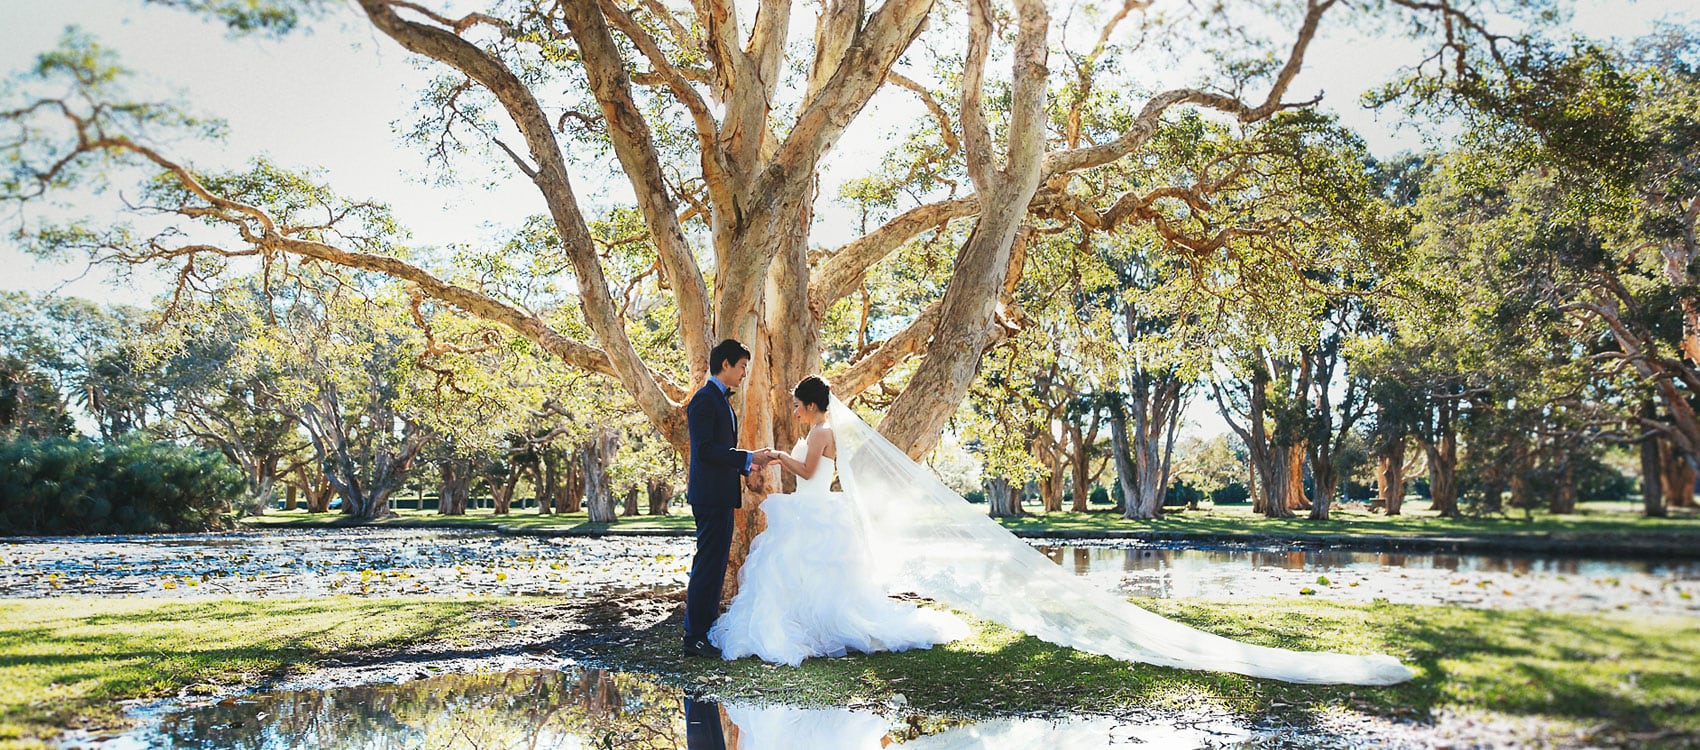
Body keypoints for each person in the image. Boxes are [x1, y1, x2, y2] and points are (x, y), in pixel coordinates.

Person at [708, 376, 969, 665]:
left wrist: (781, 456)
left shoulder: (822, 432)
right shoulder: (817, 431)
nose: (795, 413)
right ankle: (805, 624)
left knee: (811, 570)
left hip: (815, 509)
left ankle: (820, 629)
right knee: (793, 571)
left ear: (811, 404)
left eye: (797, 406)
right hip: (806, 507)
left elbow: (807, 472)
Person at [681, 339, 775, 658]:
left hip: (720, 494)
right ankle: (693, 636)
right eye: (742, 366)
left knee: (716, 563)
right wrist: (746, 457)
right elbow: (706, 451)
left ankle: (705, 630)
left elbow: (720, 452)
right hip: (709, 496)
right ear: (725, 364)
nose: (745, 372)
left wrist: (747, 463)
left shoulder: (721, 401)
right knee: (708, 564)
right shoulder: (704, 401)